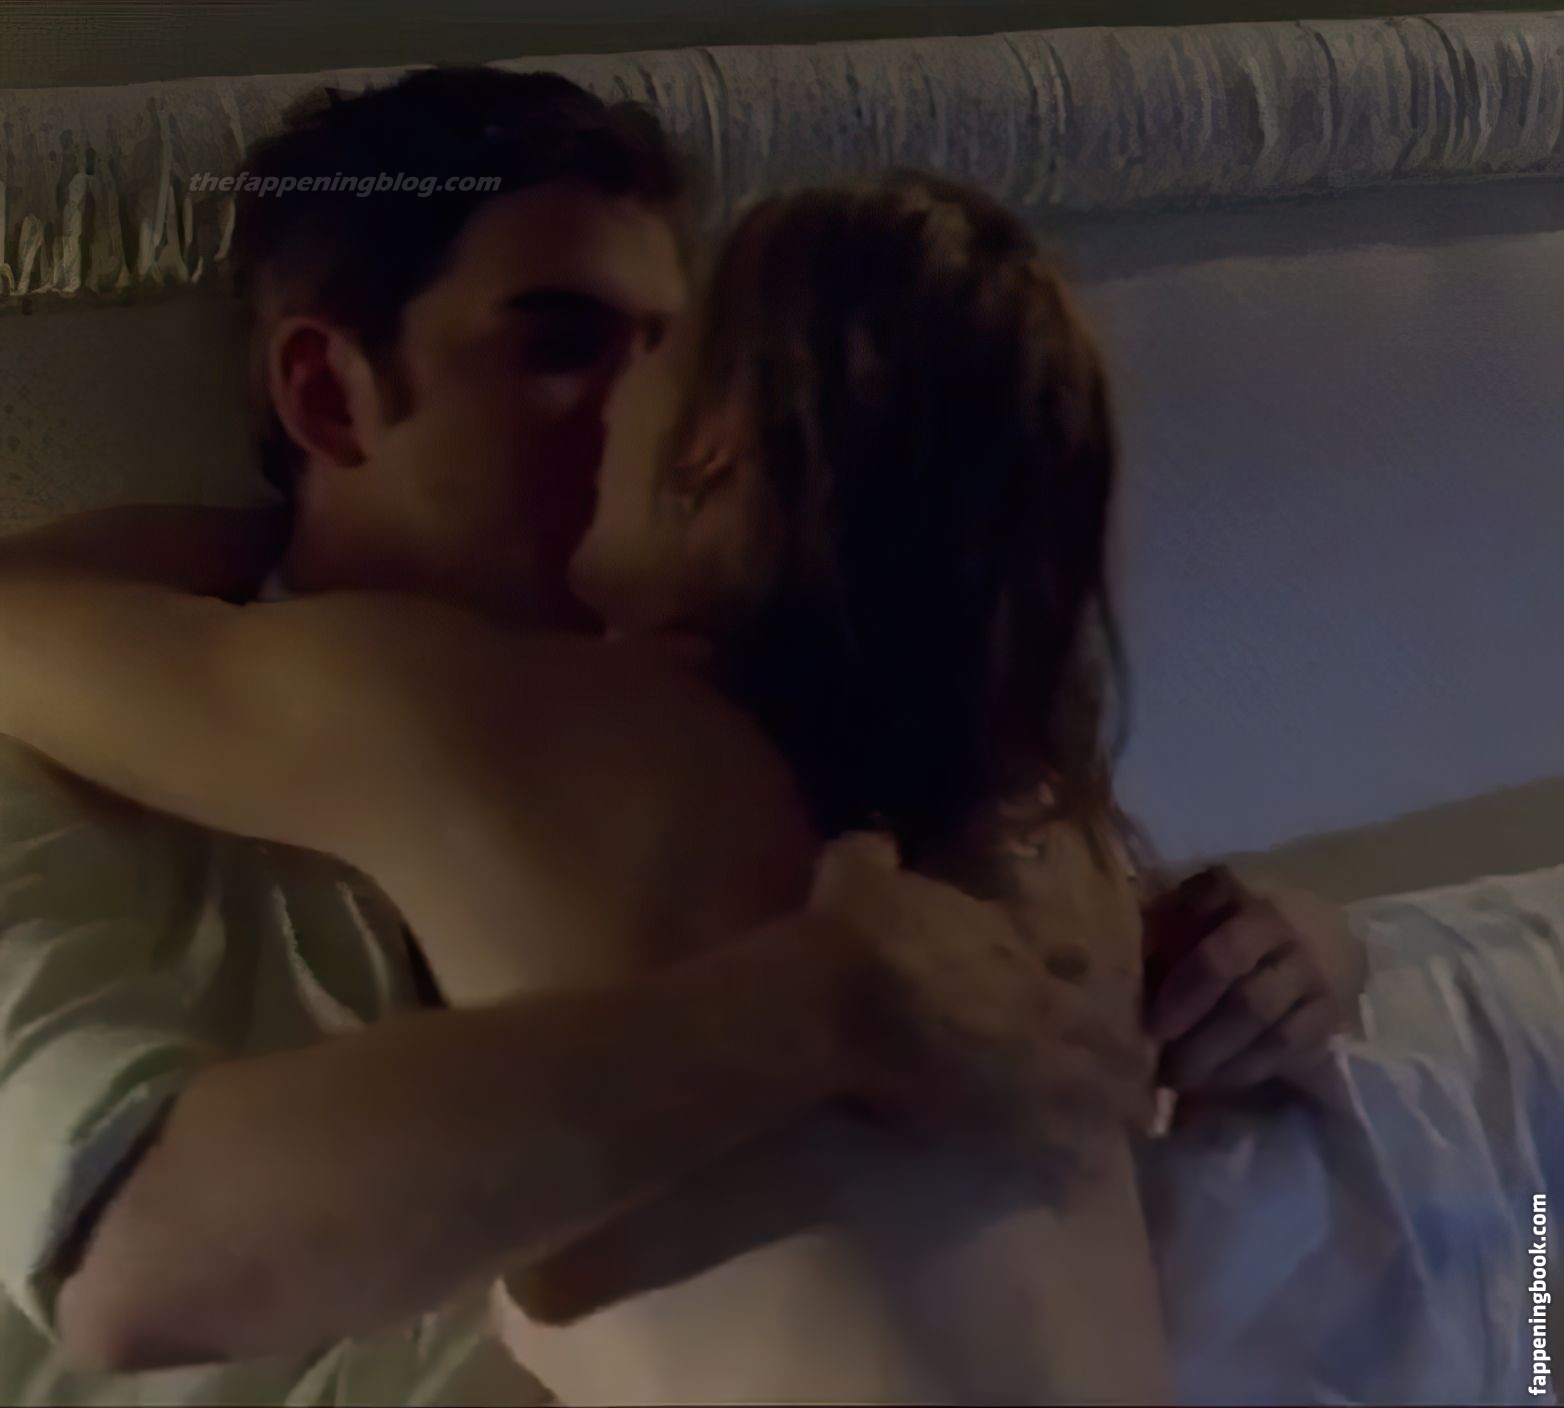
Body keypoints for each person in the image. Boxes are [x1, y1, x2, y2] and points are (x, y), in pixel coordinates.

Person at [0, 69, 1150, 1407]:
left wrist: (1282, 959)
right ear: (327, 395)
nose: (625, 419)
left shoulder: (838, 764)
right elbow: (138, 1261)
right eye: (561, 349)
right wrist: (806, 1007)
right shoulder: (64, 776)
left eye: (667, 354)